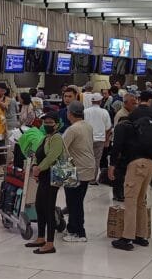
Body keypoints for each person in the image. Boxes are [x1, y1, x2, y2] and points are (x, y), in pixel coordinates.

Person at [108, 113, 152, 251]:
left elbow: (117, 146)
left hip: (136, 165)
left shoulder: (121, 127)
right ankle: (140, 235)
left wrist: (112, 165)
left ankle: (127, 238)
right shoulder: (140, 132)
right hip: (150, 164)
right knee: (141, 201)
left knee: (130, 201)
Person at [26, 113, 64, 254]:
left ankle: (50, 243)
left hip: (52, 177)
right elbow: (37, 154)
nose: (47, 125)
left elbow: (52, 157)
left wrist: (39, 168)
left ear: (57, 124)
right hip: (43, 176)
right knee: (39, 206)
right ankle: (41, 237)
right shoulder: (45, 137)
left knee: (48, 208)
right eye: (45, 122)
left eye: (50, 122)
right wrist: (35, 165)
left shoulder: (57, 138)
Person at [61, 101, 95, 242]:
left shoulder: (72, 129)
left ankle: (77, 232)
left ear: (70, 114)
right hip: (88, 167)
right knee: (77, 201)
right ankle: (73, 228)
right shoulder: (87, 126)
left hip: (75, 169)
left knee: (73, 202)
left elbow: (61, 148)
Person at [83, 93, 112, 184]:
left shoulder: (85, 111)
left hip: (87, 138)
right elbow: (108, 127)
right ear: (100, 101)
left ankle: (85, 177)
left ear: (92, 101)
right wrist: (107, 140)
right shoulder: (104, 112)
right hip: (100, 139)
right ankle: (92, 179)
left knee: (86, 158)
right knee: (96, 159)